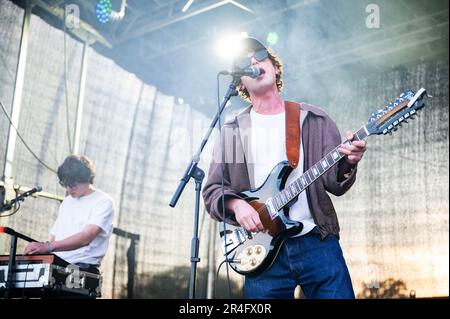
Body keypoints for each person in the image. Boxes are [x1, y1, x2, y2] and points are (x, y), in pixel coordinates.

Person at [202, 37, 367, 299]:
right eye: (245, 63)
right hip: (260, 249)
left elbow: (334, 183)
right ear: (241, 82)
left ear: (275, 67)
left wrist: (349, 161)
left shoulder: (312, 119)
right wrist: (237, 205)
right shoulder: (233, 131)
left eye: (259, 55)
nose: (253, 62)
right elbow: (213, 189)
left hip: (317, 241)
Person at [24, 155, 114, 275]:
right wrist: (40, 250)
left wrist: (48, 247)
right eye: (65, 185)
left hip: (81, 269)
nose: (68, 189)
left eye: (73, 184)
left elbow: (86, 237)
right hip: (56, 264)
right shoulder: (67, 201)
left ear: (86, 178)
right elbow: (55, 239)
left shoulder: (103, 201)